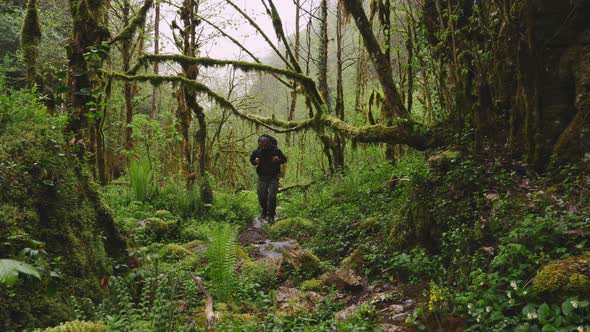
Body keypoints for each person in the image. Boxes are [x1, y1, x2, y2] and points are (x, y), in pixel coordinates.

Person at [250, 135, 287, 222]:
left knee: (272, 196)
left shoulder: (276, 150)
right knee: (261, 195)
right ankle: (264, 210)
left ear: (269, 143)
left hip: (274, 176)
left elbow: (284, 159)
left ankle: (271, 215)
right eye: (260, 144)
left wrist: (278, 159)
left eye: (264, 144)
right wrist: (255, 162)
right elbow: (251, 160)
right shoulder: (257, 151)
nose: (262, 146)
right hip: (262, 177)